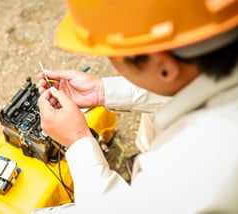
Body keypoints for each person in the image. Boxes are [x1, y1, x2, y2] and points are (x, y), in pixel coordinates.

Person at [34, 0, 238, 213]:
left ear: (164, 66)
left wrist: (76, 139)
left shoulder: (192, 167)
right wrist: (102, 90)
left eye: (112, 55)